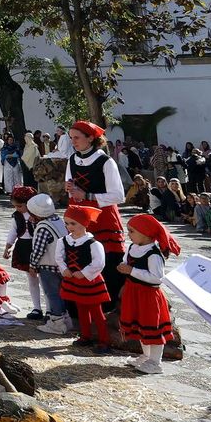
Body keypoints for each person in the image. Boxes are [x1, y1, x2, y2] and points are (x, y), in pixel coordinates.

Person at [63, 120, 126, 307]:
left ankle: (107, 308)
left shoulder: (105, 161)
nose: (73, 142)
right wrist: (69, 188)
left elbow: (119, 195)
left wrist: (87, 195)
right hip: (80, 218)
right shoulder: (72, 160)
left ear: (90, 138)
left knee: (105, 262)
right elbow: (71, 188)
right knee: (78, 260)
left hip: (103, 218)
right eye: (71, 138)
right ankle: (79, 310)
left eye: (77, 138)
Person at [118, 214, 178, 374]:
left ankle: (155, 362)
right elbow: (127, 261)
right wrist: (124, 267)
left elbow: (156, 279)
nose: (128, 234)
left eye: (131, 231)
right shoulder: (132, 247)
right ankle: (146, 356)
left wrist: (132, 270)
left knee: (152, 328)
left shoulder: (153, 254)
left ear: (145, 233)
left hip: (149, 296)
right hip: (134, 292)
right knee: (140, 326)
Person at [57, 205, 112, 354]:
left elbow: (99, 262)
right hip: (73, 280)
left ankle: (104, 340)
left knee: (96, 311)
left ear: (84, 224)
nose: (69, 227)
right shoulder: (63, 241)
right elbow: (59, 258)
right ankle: (85, 336)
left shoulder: (93, 243)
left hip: (90, 281)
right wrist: (64, 269)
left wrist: (85, 273)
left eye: (73, 223)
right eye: (67, 223)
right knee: (80, 309)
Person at [30, 194, 72, 335]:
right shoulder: (58, 220)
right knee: (61, 293)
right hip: (62, 264)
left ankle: (57, 323)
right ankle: (66, 320)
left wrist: (32, 264)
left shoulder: (43, 227)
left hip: (49, 265)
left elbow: (38, 249)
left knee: (52, 294)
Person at [3, 186, 41, 319]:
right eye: (15, 206)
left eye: (19, 206)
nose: (17, 209)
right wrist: (8, 246)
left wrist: (35, 222)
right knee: (31, 277)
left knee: (44, 277)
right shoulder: (16, 216)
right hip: (23, 246)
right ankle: (37, 308)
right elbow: (13, 231)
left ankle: (51, 308)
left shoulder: (38, 215)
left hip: (37, 246)